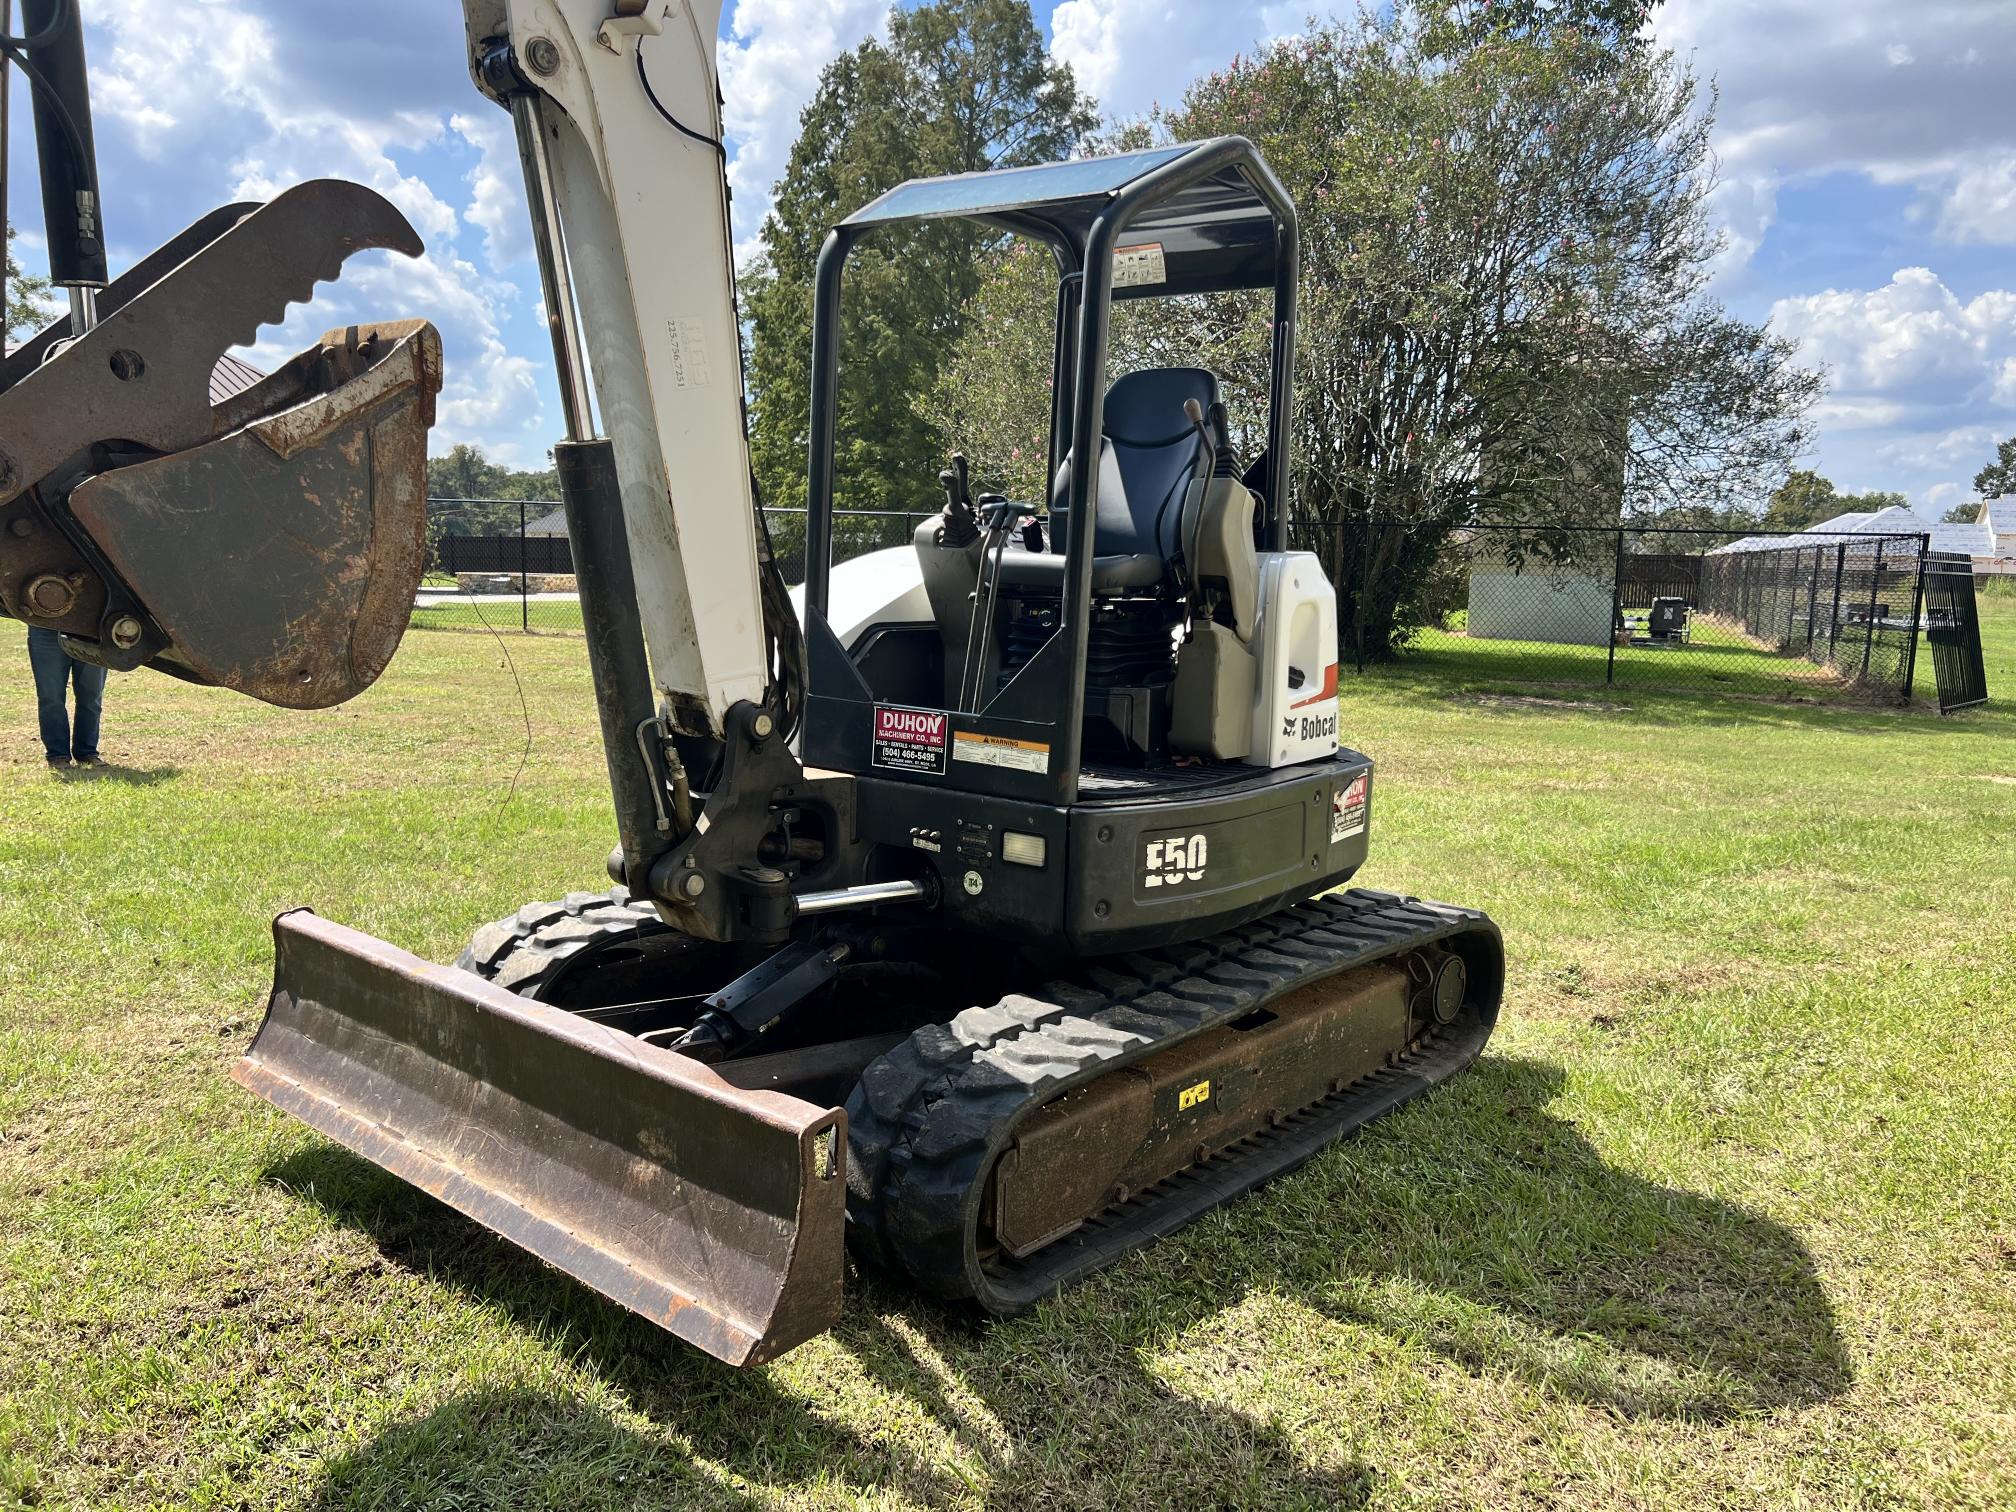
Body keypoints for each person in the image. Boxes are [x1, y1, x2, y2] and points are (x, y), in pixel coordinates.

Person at [27, 626, 107, 769]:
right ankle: (57, 755)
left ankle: (87, 753)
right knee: (50, 697)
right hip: (45, 627)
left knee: (91, 696)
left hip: (92, 628)